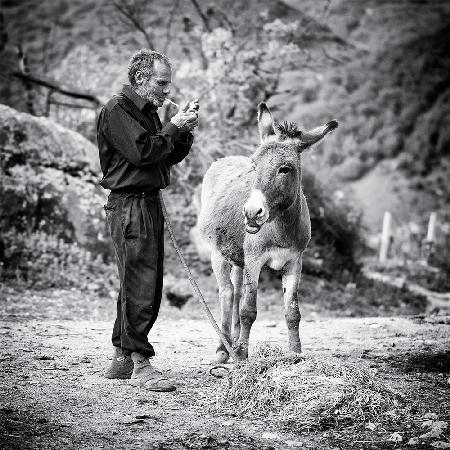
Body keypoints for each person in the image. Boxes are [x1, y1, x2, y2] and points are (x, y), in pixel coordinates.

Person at [96, 49, 199, 392]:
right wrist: (172, 126)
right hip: (129, 206)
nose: (167, 90)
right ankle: (141, 364)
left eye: (168, 83)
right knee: (140, 283)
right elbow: (142, 152)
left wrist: (182, 130)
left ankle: (122, 359)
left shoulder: (148, 111)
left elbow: (165, 155)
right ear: (140, 78)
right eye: (161, 82)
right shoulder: (117, 110)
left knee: (140, 283)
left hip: (146, 204)